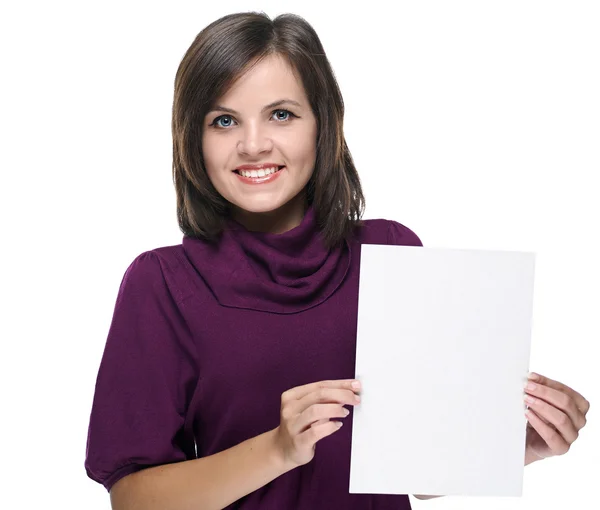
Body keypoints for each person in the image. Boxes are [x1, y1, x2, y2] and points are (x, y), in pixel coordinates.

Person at [84, 11, 590, 510]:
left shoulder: (391, 251)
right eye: (223, 120)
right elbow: (134, 500)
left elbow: (416, 468)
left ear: (323, 123)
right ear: (193, 138)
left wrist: (514, 449)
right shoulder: (163, 284)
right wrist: (279, 450)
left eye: (281, 114)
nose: (254, 144)